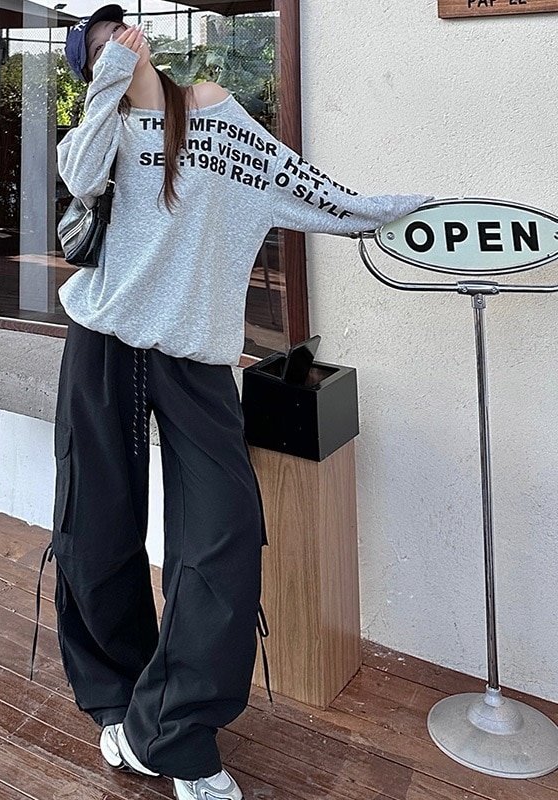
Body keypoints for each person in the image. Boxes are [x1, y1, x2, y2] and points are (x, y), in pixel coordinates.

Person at [49, 6, 430, 799]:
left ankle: (171, 729)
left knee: (223, 535)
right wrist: (104, 87)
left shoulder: (214, 111)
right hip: (104, 344)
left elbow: (300, 187)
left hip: (194, 357)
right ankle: (116, 700)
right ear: (90, 65)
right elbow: (78, 178)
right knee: (94, 527)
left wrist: (401, 211)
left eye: (120, 29)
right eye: (98, 42)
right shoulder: (99, 130)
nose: (117, 40)